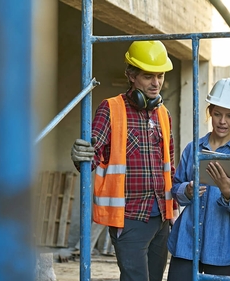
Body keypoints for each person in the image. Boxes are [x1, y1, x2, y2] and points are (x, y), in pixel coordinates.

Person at [70, 40, 179, 281]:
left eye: (159, 75)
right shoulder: (110, 109)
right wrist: (81, 155)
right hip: (128, 218)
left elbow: (169, 166)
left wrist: (172, 211)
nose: (156, 83)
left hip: (161, 217)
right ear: (131, 75)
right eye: (148, 76)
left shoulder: (164, 114)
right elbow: (92, 154)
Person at [167, 78, 230, 280]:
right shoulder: (194, 148)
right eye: (217, 114)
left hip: (222, 248)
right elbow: (176, 188)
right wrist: (187, 191)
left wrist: (228, 193)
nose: (222, 121)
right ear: (209, 112)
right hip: (186, 244)